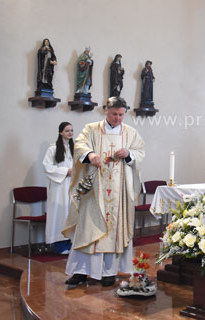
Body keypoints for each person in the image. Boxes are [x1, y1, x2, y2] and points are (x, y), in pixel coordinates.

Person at [62, 97, 145, 288]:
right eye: (114, 114)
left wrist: (129, 154)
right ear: (106, 111)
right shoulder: (91, 129)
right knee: (88, 228)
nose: (118, 118)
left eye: (121, 115)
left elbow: (140, 152)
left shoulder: (130, 133)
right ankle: (81, 271)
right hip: (94, 190)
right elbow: (79, 145)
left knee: (113, 230)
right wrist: (90, 154)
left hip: (118, 191)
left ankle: (109, 272)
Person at [42, 122, 74, 254]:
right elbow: (47, 167)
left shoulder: (75, 148)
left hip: (72, 185)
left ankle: (71, 244)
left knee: (71, 214)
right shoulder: (53, 149)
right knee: (60, 215)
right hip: (59, 187)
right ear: (61, 132)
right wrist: (65, 171)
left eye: (71, 130)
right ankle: (60, 246)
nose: (70, 133)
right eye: (67, 131)